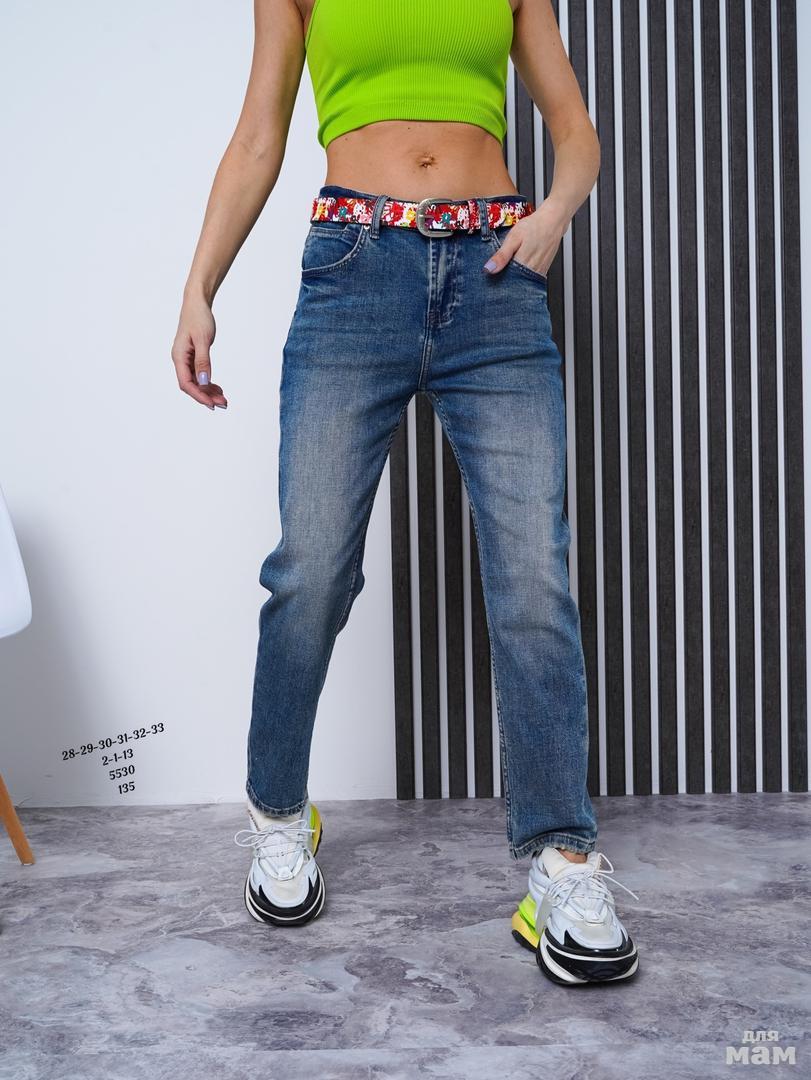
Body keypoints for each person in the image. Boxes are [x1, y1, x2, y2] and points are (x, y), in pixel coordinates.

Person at [171, 0, 640, 986]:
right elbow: (258, 136)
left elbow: (576, 133)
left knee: (533, 580)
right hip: (354, 272)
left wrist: (553, 213)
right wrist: (198, 288)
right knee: (310, 573)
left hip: (497, 277)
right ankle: (277, 812)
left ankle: (561, 863)